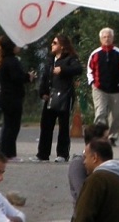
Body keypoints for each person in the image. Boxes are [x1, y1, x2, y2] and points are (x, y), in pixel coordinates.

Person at [34, 33, 82, 163]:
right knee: (46, 125)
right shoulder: (50, 59)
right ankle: (43, 154)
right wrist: (42, 91)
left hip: (64, 96)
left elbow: (78, 69)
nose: (52, 45)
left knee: (63, 125)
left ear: (62, 46)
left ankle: (62, 153)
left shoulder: (70, 58)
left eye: (55, 43)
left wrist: (63, 70)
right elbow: (45, 76)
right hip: (50, 95)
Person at [87, 27, 119, 146]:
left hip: (116, 88)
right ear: (100, 39)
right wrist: (92, 82)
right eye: (104, 37)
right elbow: (89, 69)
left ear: (112, 38)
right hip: (99, 88)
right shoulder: (95, 54)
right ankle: (99, 136)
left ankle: (112, 137)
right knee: (100, 112)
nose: (107, 39)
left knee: (115, 115)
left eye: (109, 37)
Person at [73, 137, 119, 222]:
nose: (84, 162)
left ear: (94, 157)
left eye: (86, 157)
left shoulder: (96, 179)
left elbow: (83, 215)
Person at [0, 35, 33, 159]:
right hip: (12, 97)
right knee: (12, 126)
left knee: (8, 125)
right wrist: (27, 77)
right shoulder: (12, 61)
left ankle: (5, 151)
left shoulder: (3, 60)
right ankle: (8, 152)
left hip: (5, 96)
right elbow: (17, 77)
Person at [70, 123, 110, 204]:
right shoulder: (78, 163)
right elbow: (82, 195)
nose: (109, 142)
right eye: (105, 138)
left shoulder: (106, 161)